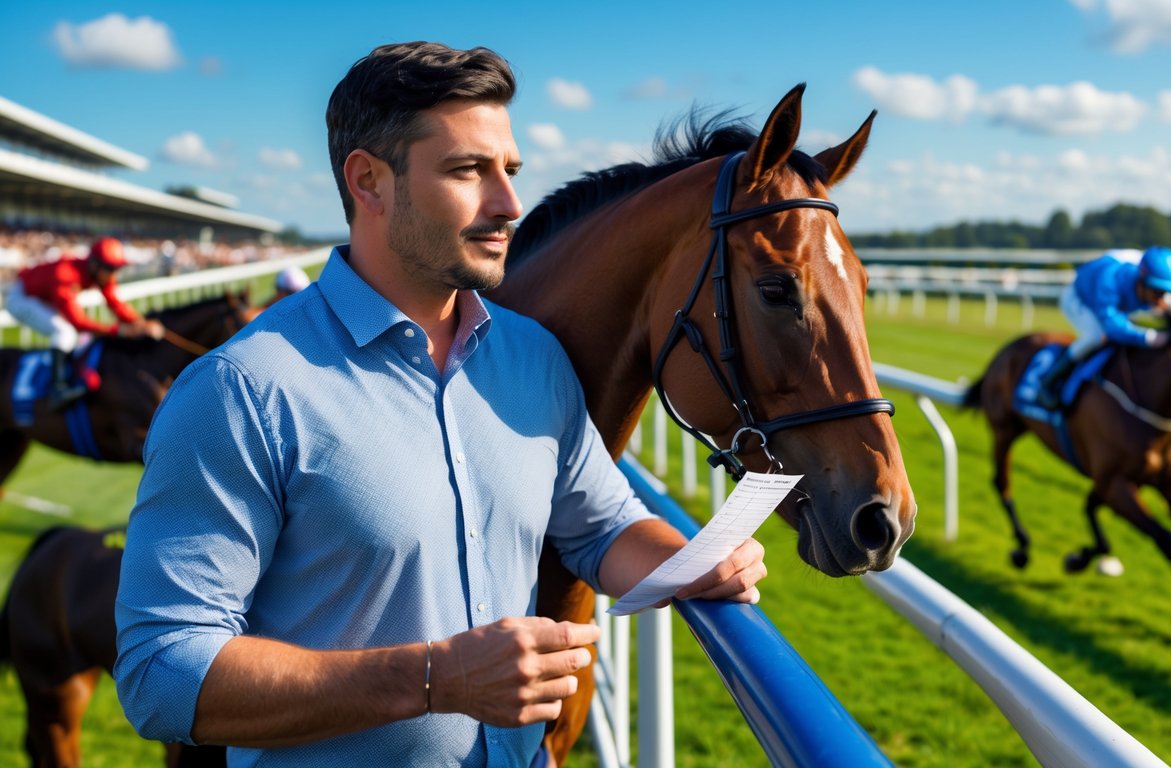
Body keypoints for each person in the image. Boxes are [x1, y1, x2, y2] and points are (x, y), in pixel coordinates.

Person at [114, 41, 768, 768]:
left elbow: (599, 526)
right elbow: (160, 675)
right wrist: (433, 680)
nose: (509, 205)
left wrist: (691, 563)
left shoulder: (532, 358)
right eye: (467, 171)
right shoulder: (241, 389)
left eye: (510, 171)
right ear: (368, 182)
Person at [5, 236, 164, 408]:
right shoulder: (65, 274)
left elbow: (115, 303)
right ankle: (57, 390)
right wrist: (121, 331)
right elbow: (78, 322)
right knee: (65, 332)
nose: (114, 274)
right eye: (111, 269)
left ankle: (70, 374)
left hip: (43, 295)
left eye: (116, 269)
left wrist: (140, 323)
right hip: (21, 297)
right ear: (95, 265)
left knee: (76, 338)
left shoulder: (100, 273)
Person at [1035, 245, 1171, 409]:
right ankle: (1047, 383)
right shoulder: (1109, 281)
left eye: (1164, 293)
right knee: (1095, 337)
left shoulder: (1149, 279)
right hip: (1079, 298)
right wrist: (1147, 337)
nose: (1161, 299)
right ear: (1142, 281)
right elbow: (1112, 327)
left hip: (1113, 299)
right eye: (1157, 292)